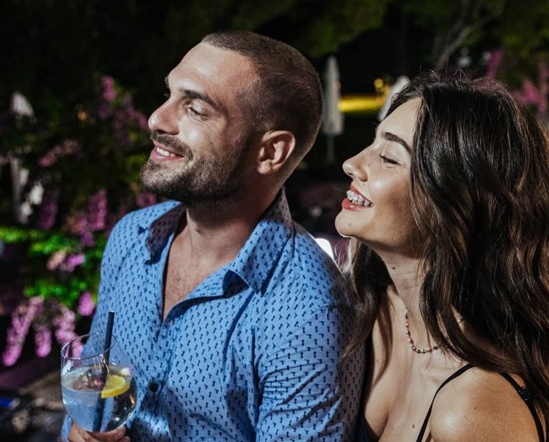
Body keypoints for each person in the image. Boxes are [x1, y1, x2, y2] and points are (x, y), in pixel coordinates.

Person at [66, 31, 362, 442]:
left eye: (196, 109)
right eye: (169, 95)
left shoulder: (308, 312)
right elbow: (93, 383)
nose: (157, 119)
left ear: (270, 152)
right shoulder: (131, 237)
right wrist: (80, 432)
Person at [336, 74, 549, 442]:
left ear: (456, 205)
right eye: (372, 143)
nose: (352, 163)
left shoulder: (473, 414)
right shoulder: (378, 307)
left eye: (388, 157)